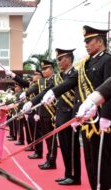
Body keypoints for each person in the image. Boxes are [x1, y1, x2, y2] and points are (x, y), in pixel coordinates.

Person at [42, 25, 111, 190]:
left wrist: (107, 115)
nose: (86, 45)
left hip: (101, 121)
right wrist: (54, 92)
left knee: (103, 162)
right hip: (87, 120)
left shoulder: (107, 60)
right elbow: (75, 88)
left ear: (100, 41)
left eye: (89, 41)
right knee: (90, 161)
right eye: (85, 41)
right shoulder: (87, 63)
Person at [24, 49, 81, 185]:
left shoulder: (76, 74)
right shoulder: (58, 77)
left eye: (60, 59)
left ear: (68, 59)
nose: (59, 62)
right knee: (65, 148)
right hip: (60, 116)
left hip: (71, 116)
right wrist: (31, 102)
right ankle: (68, 174)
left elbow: (64, 89)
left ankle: (74, 176)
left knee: (72, 148)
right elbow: (44, 91)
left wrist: (51, 93)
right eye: (58, 59)